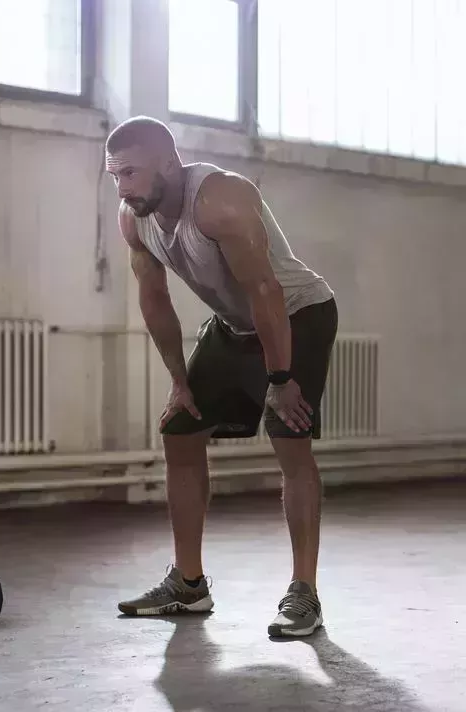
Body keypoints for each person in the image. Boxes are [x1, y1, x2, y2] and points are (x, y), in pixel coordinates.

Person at [105, 116, 337, 638]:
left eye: (132, 174)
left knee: (289, 439)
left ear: (169, 162)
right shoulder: (134, 218)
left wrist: (281, 378)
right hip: (234, 325)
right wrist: (178, 380)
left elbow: (265, 290)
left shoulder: (220, 200)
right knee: (179, 430)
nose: (123, 188)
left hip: (297, 312)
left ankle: (305, 594)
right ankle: (189, 586)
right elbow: (155, 298)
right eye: (115, 176)